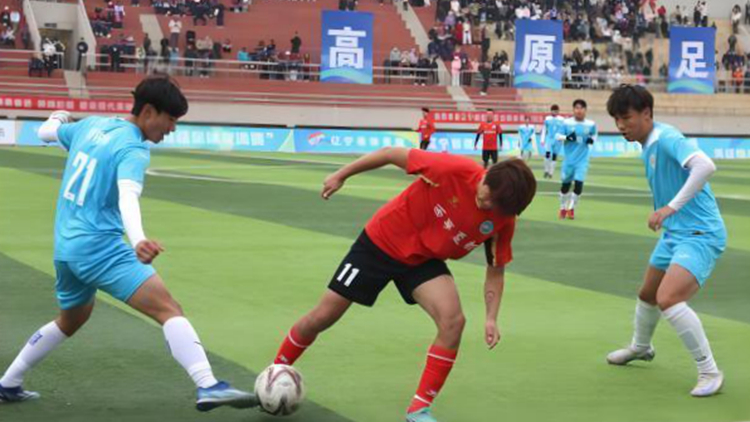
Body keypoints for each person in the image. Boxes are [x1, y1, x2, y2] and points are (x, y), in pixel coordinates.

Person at [0, 77, 257, 412]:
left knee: (71, 319)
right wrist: (138, 240)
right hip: (99, 249)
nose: (172, 129)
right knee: (169, 309)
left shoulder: (91, 126)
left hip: (65, 249)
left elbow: (45, 132)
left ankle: (9, 382)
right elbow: (128, 196)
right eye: (170, 119)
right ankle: (208, 385)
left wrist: (58, 116)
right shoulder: (133, 148)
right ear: (149, 111)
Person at [271, 147, 537, 422]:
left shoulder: (503, 219)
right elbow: (389, 154)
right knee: (324, 315)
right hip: (381, 242)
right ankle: (275, 372)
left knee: (453, 321)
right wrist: (342, 174)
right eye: (487, 197)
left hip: (422, 260)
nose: (487, 206)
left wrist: (491, 317)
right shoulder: (452, 170)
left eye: (496, 206)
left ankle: (419, 409)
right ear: (486, 175)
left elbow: (496, 271)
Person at [605, 85, 726, 397]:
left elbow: (705, 166)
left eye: (626, 118)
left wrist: (670, 207)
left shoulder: (666, 137)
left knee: (668, 298)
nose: (621, 125)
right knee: (647, 294)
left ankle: (709, 371)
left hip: (700, 233)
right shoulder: (647, 143)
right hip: (675, 234)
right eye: (617, 119)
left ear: (646, 113)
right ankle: (641, 347)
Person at [556, 99, 596, 220]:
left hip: (582, 160)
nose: (579, 110)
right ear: (573, 110)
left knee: (579, 185)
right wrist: (567, 137)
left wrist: (591, 140)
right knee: (565, 187)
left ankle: (571, 208)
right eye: (577, 108)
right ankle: (563, 207)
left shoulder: (590, 124)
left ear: (585, 110)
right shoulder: (566, 123)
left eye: (581, 108)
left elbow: (594, 135)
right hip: (569, 160)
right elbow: (558, 136)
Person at [540, 104, 565, 179]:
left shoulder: (562, 119)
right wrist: (542, 139)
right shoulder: (547, 119)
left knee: (554, 156)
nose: (555, 112)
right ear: (551, 111)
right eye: (553, 111)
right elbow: (544, 129)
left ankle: (551, 172)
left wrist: (563, 139)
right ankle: (546, 170)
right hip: (549, 139)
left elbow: (564, 131)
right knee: (547, 155)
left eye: (556, 111)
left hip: (558, 141)